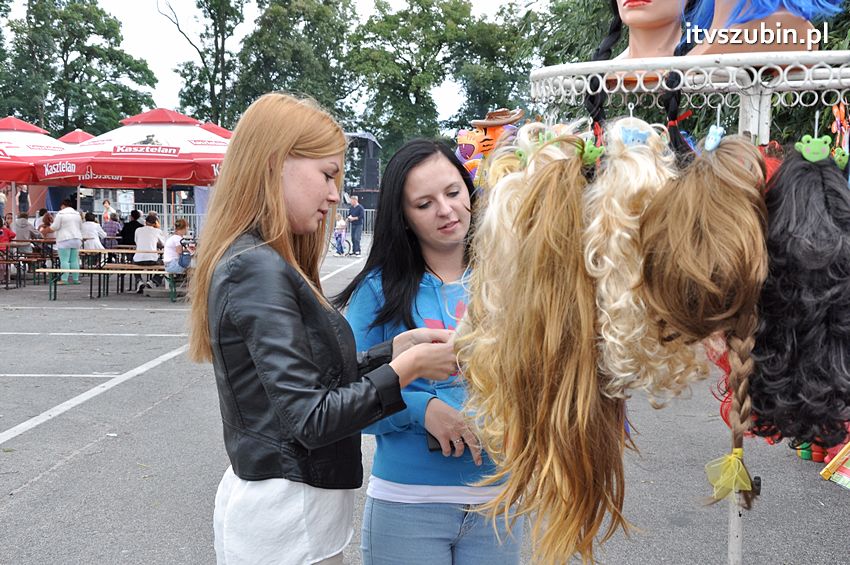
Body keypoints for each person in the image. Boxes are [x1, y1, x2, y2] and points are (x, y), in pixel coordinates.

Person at [187, 93, 459, 565]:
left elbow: (310, 380)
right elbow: (312, 419)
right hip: (287, 518)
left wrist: (392, 352)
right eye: (328, 174)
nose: (335, 195)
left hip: (294, 513)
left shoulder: (261, 260)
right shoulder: (258, 267)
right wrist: (408, 368)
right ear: (275, 165)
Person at [335, 139, 523, 564]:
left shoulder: (512, 279)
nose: (446, 210)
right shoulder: (378, 290)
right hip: (408, 503)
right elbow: (347, 400)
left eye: (454, 193)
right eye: (424, 204)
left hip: (499, 501)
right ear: (403, 217)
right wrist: (422, 410)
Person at [40, 199, 82, 285]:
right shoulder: (77, 214)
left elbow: (54, 227)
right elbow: (80, 226)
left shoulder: (61, 214)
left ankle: (64, 279)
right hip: (77, 239)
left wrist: (45, 231)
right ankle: (76, 279)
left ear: (63, 205)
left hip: (64, 239)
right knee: (74, 260)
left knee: (64, 260)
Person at [133, 214, 165, 292]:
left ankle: (139, 281)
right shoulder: (157, 231)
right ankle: (153, 281)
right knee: (165, 265)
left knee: (133, 263)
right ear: (155, 223)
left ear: (145, 222)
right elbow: (163, 244)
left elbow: (136, 242)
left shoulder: (138, 230)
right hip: (152, 259)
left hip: (138, 259)